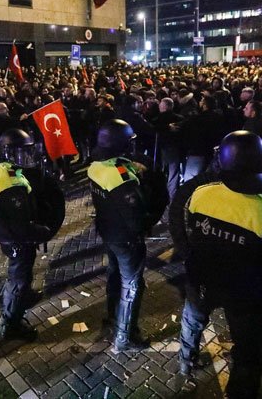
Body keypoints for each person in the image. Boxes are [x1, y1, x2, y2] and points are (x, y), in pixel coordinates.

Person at [172, 131, 262, 399]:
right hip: (245, 293)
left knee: (192, 320)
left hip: (202, 280)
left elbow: (190, 233)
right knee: (248, 351)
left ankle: (186, 362)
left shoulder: (201, 194)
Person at [88, 119, 167, 353]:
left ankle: (113, 317)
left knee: (114, 276)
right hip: (126, 239)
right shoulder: (122, 180)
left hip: (108, 233)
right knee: (132, 285)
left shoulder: (96, 167)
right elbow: (137, 220)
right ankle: (125, 337)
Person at [0, 128, 64, 340]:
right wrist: (43, 231)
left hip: (9, 236)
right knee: (19, 279)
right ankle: (12, 323)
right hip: (18, 241)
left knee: (19, 277)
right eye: (21, 152)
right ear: (7, 152)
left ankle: (22, 298)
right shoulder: (12, 184)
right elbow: (21, 224)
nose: (26, 157)